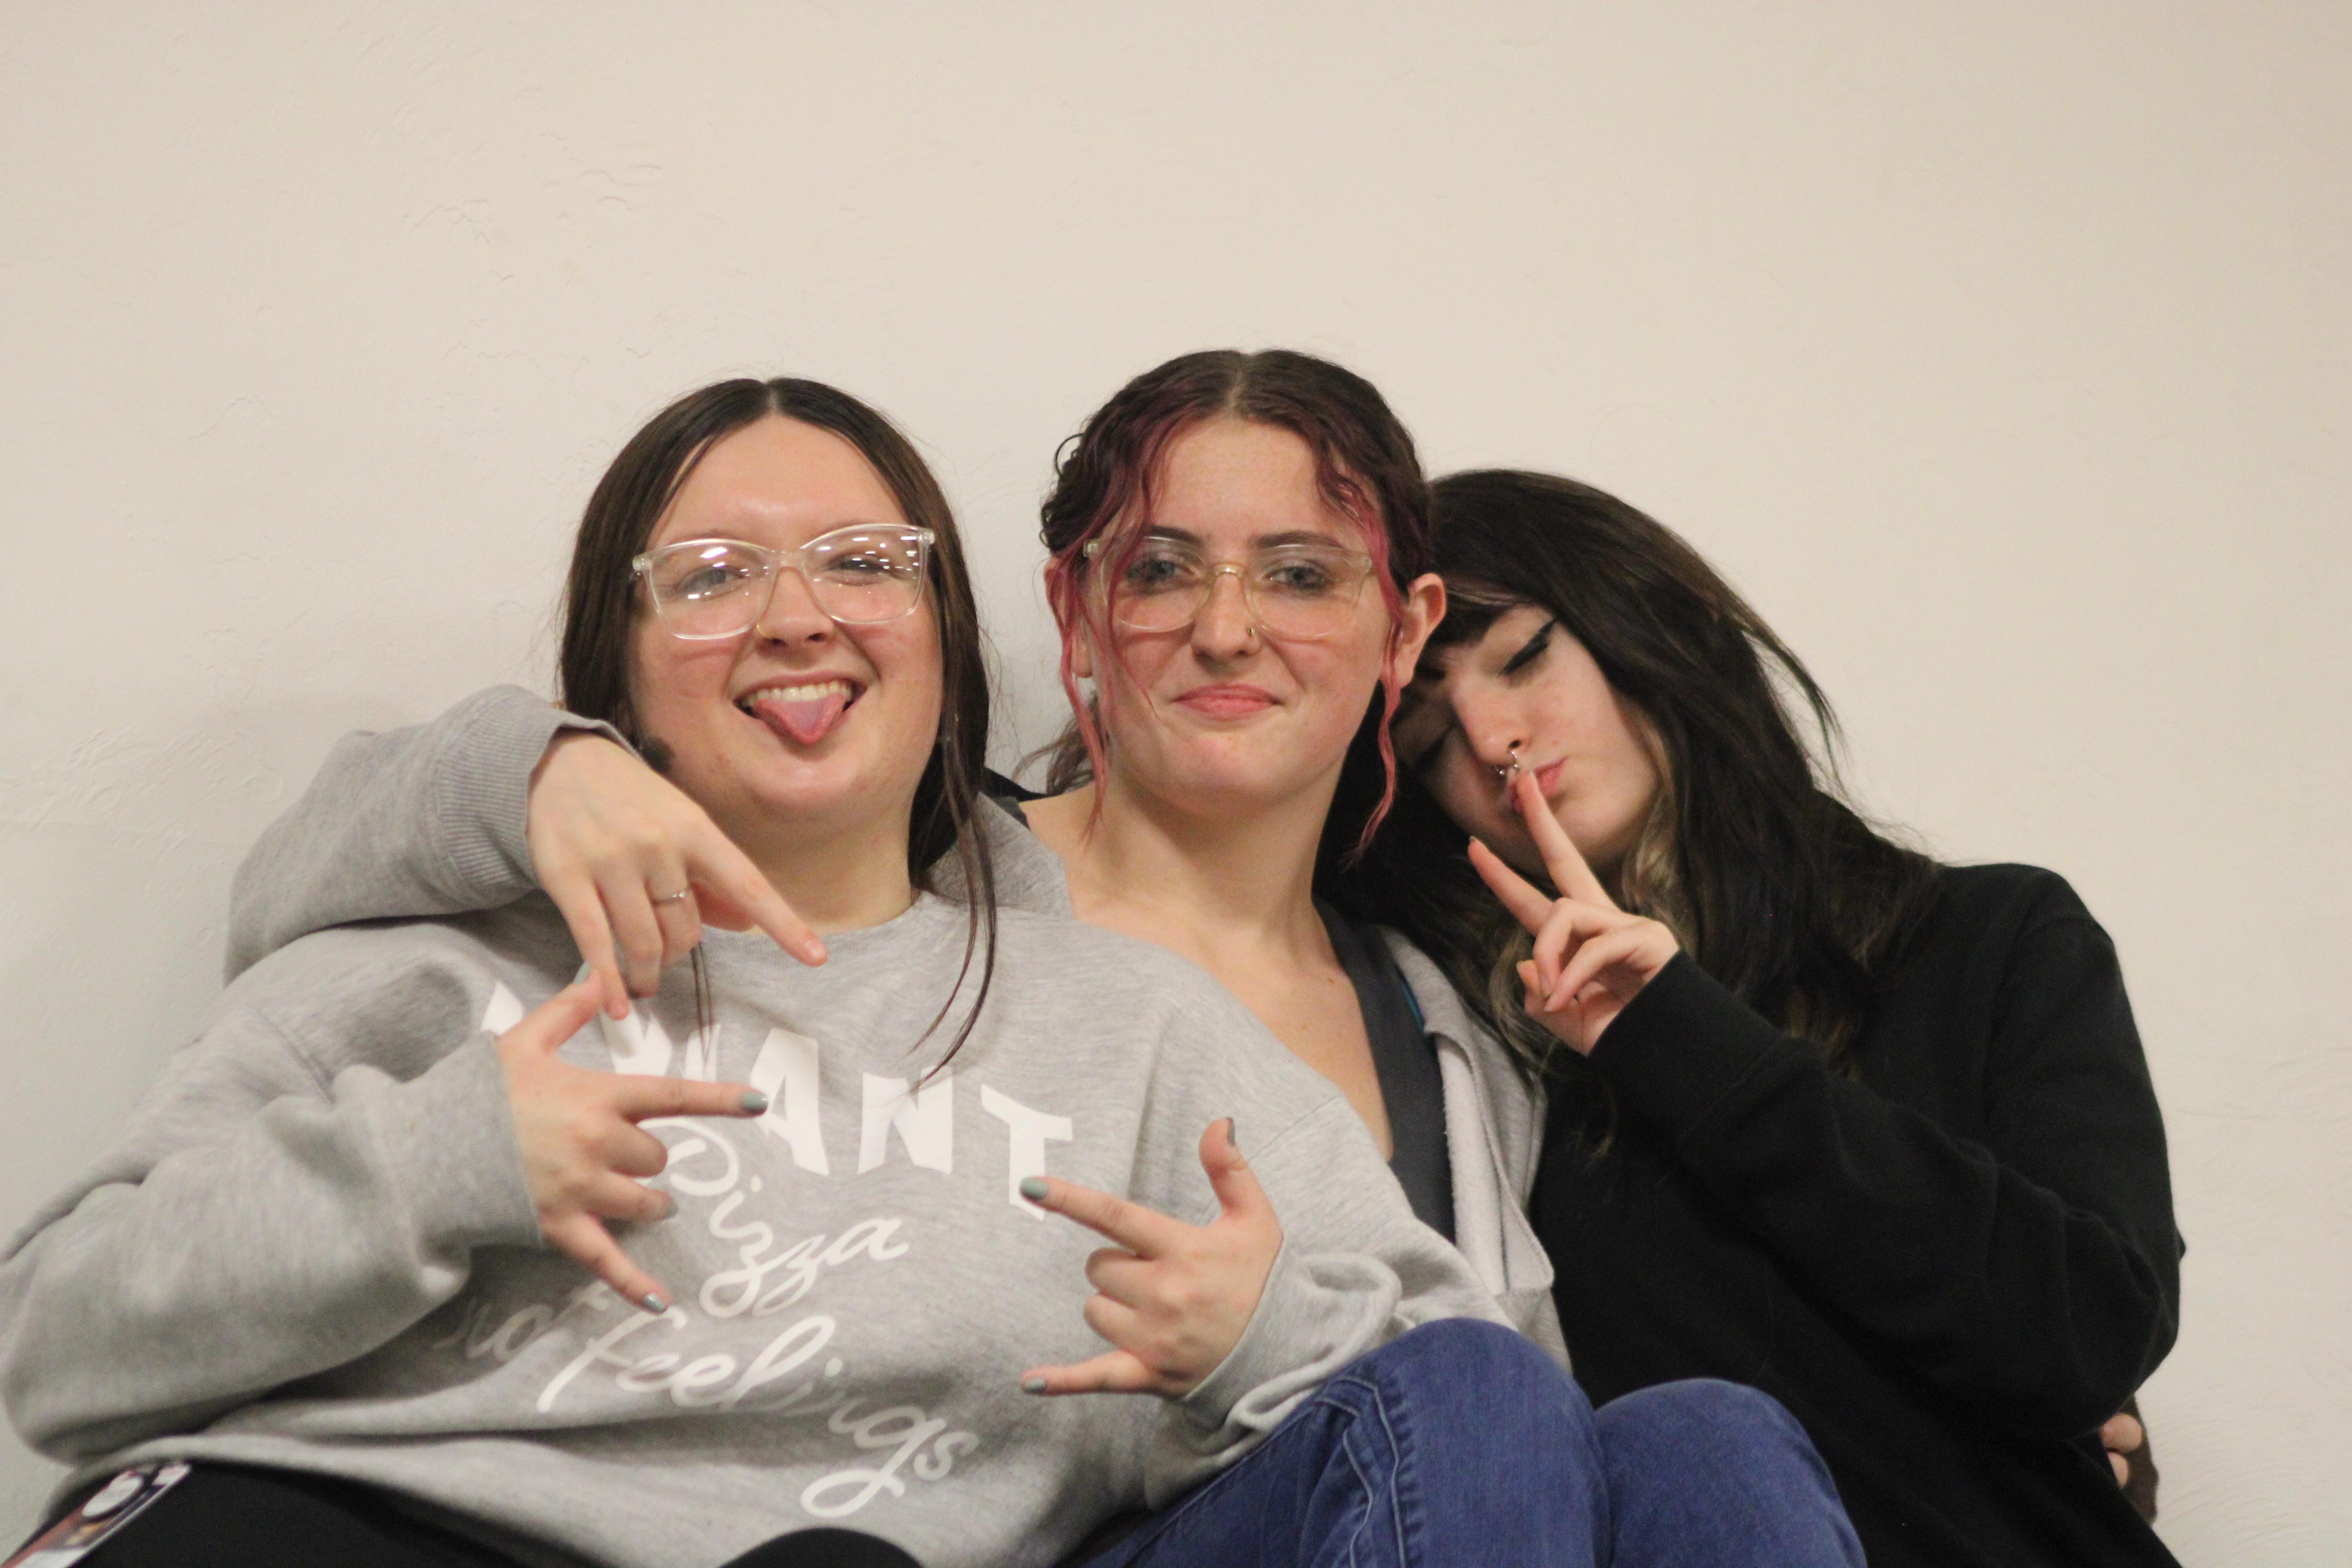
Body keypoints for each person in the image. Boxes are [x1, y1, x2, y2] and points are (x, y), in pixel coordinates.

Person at [0, 378, 1865, 1568]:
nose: (797, 611)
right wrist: (439, 1160)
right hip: (388, 1531)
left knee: (1694, 1435)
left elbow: (1463, 1392)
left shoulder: (1117, 1016)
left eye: (862, 560)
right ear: (614, 660)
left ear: (944, 633)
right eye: (713, 571)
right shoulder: (433, 957)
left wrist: (1255, 1332)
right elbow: (53, 1334)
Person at [1344, 466, 2183, 1568]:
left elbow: (2088, 1328)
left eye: (1526, 655)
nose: (1495, 737)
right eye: (1427, 732)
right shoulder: (1486, 1067)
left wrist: (1685, 1037)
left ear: (1641, 622)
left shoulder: (1991, 939)